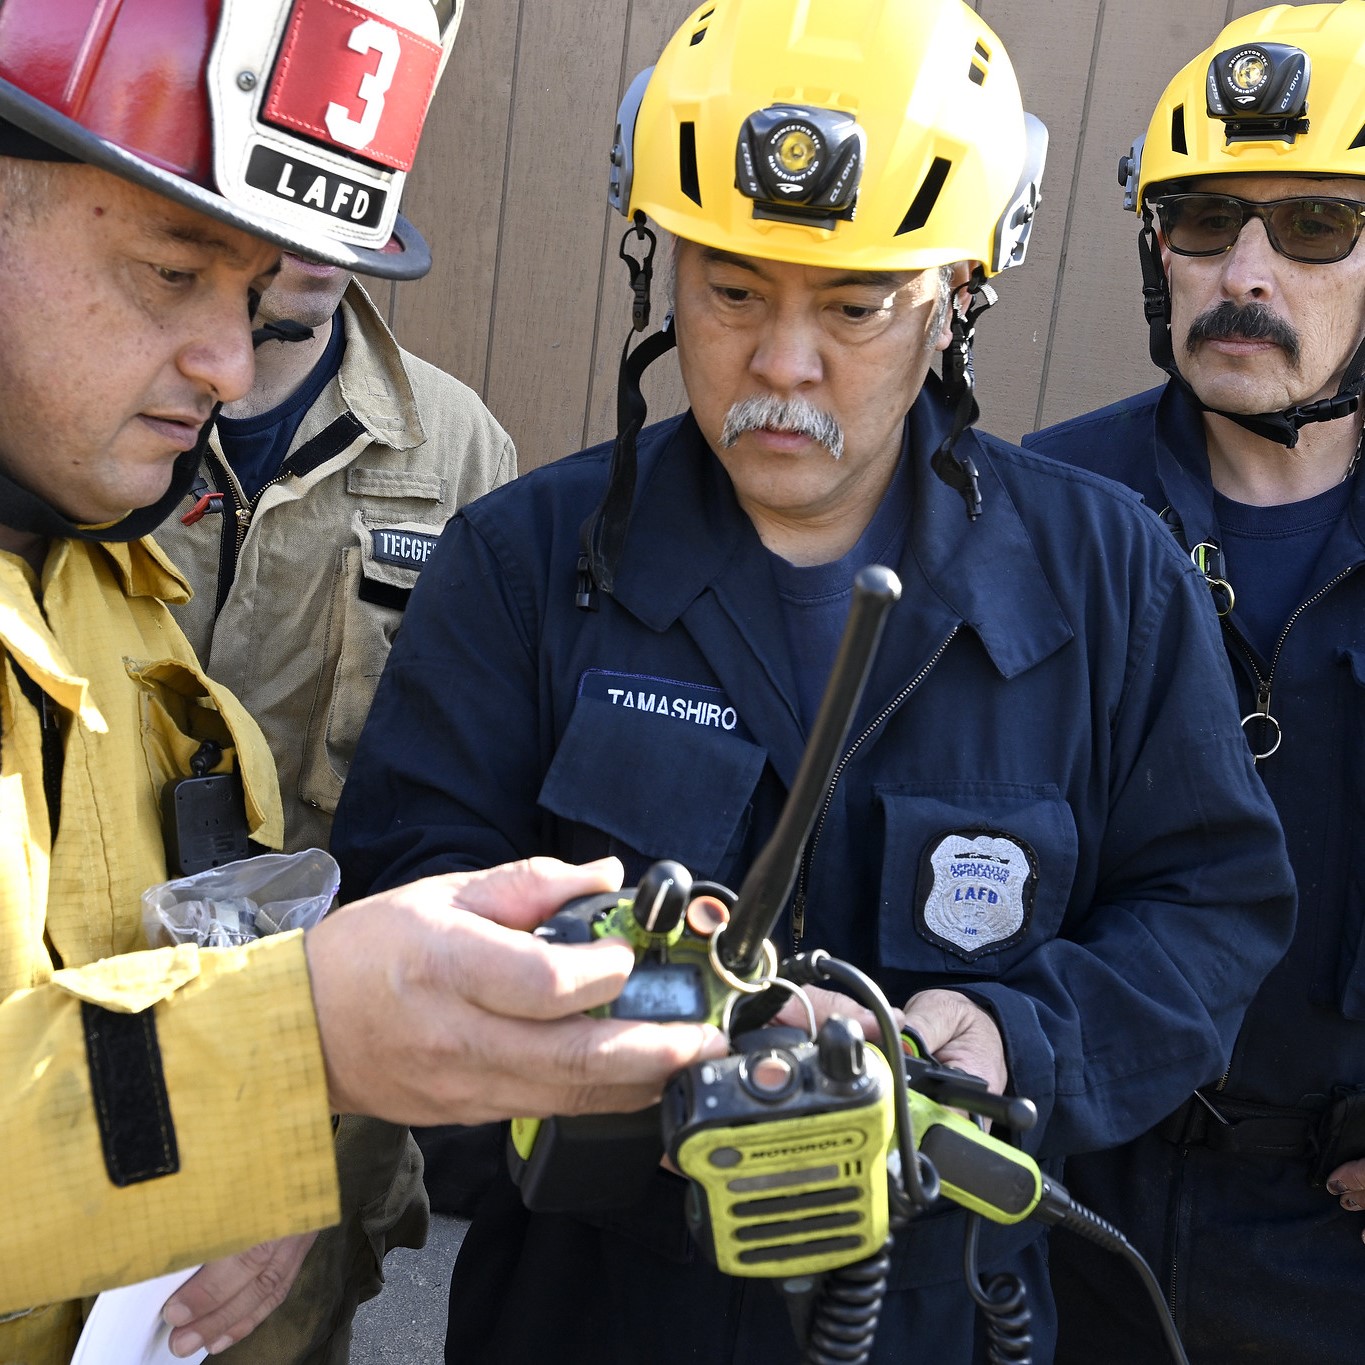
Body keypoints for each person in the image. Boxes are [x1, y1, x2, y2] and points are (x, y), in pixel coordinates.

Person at [329, 0, 1298, 1360]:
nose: (782, 365)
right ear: (658, 270)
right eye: (731, 292)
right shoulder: (520, 566)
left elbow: (1210, 908)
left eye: (854, 305)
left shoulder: (1108, 580)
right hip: (591, 1309)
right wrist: (638, 1033)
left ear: (960, 294)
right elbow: (406, 902)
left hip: (946, 1308)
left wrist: (1009, 1036)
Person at [0, 5, 721, 1363]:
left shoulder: (116, 598)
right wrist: (292, 1047)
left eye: (255, 286)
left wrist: (250, 1141)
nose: (228, 362)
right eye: (171, 272)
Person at [1023, 4, 1365, 1360]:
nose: (1246, 271)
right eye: (1206, 219)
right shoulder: (1028, 511)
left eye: (1318, 228)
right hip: (1052, 1201)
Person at [150, 249, 515, 1362]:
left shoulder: (456, 452)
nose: (320, 234)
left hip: (323, 1073)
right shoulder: (80, 407)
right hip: (70, 1021)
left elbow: (472, 797)